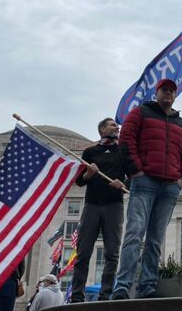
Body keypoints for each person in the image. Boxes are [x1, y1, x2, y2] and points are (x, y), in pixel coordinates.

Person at [112, 78, 182, 300]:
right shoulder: (140, 113)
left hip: (170, 187)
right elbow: (126, 140)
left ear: (175, 95)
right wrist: (136, 170)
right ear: (156, 92)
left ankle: (147, 285)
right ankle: (123, 286)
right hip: (144, 182)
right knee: (134, 233)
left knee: (156, 238)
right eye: (164, 90)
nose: (168, 93)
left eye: (171, 91)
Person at [70, 118, 127, 303]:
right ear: (102, 129)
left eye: (116, 126)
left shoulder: (123, 151)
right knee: (83, 252)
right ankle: (77, 295)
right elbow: (79, 181)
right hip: (92, 205)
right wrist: (88, 174)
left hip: (114, 206)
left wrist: (123, 183)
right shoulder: (90, 152)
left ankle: (105, 295)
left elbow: (133, 175)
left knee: (112, 253)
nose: (116, 127)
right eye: (112, 125)